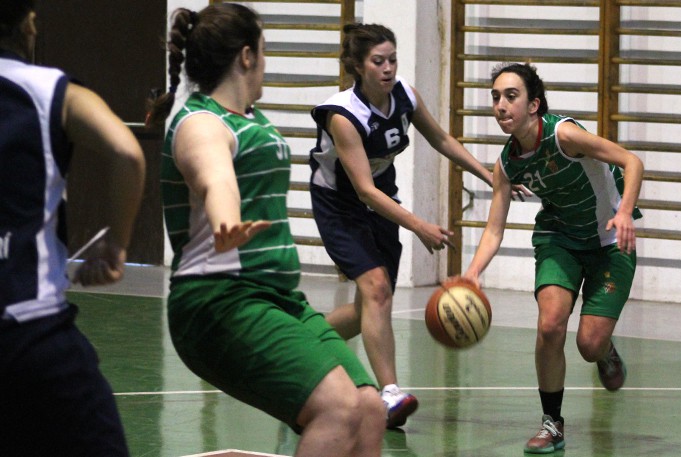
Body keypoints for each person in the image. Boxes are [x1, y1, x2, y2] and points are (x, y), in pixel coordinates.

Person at [146, 4, 385, 456]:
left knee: (370, 408)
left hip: (276, 298)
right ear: (247, 56)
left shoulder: (249, 118)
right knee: (337, 409)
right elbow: (215, 179)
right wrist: (225, 221)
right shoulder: (200, 123)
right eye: (263, 49)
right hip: (218, 302)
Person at [309, 22, 496, 429]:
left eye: (392, 59)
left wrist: (488, 174)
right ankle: (390, 394)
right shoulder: (344, 115)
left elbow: (442, 139)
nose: (388, 68)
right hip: (340, 204)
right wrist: (418, 226)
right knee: (376, 290)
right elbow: (363, 190)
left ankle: (303, 342)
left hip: (381, 199)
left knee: (368, 310)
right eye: (378, 61)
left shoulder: (405, 95)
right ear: (359, 66)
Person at [462, 62, 643, 454]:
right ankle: (552, 423)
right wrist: (472, 274)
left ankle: (605, 350)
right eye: (495, 97)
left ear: (533, 105)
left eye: (511, 96)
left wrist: (626, 211)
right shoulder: (507, 164)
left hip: (609, 240)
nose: (501, 105)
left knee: (589, 345)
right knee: (549, 326)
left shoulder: (564, 135)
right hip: (558, 237)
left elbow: (632, 161)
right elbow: (494, 229)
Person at [0, 0, 146, 455]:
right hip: (29, 331)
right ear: (25, 25)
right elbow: (127, 153)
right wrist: (116, 245)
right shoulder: (48, 89)